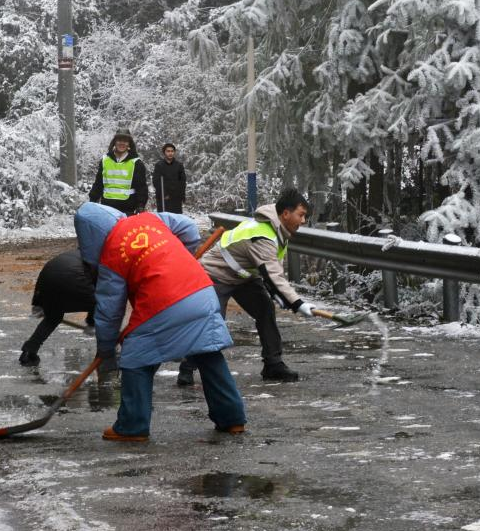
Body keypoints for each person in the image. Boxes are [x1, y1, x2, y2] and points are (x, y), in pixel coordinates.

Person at [74, 202, 246, 441]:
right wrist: (179, 257)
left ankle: (132, 426)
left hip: (164, 302)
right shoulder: (149, 219)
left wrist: (105, 348)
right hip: (201, 291)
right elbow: (189, 227)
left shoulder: (111, 255)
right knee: (207, 352)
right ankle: (232, 418)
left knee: (135, 358)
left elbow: (109, 311)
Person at [179, 188, 314, 386]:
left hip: (244, 277)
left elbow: (271, 277)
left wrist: (283, 299)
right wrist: (297, 303)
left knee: (265, 310)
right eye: (301, 215)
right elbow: (273, 277)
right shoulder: (263, 236)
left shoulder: (277, 228)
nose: (303, 221)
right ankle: (187, 367)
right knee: (212, 322)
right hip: (215, 275)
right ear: (285, 213)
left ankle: (273, 364)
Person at [18, 249, 96, 366]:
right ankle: (108, 354)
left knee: (53, 317)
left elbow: (45, 275)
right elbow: (103, 296)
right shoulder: (102, 260)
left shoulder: (79, 252)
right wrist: (92, 323)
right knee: (105, 305)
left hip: (48, 278)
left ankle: (29, 352)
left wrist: (38, 303)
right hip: (76, 278)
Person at [88, 129, 148, 215]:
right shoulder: (105, 160)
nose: (122, 143)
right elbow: (98, 183)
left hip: (128, 209)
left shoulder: (136, 163)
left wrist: (141, 205)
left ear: (129, 144)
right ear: (114, 142)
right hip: (107, 207)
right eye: (119, 140)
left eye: (125, 141)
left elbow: (141, 187)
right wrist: (93, 200)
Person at [152, 143, 187, 214]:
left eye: (172, 151)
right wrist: (165, 194)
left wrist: (182, 195)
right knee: (164, 218)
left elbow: (182, 182)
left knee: (176, 218)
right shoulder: (159, 165)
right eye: (168, 151)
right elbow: (156, 182)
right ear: (164, 152)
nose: (170, 153)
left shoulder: (179, 165)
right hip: (163, 198)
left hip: (176, 199)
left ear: (174, 152)